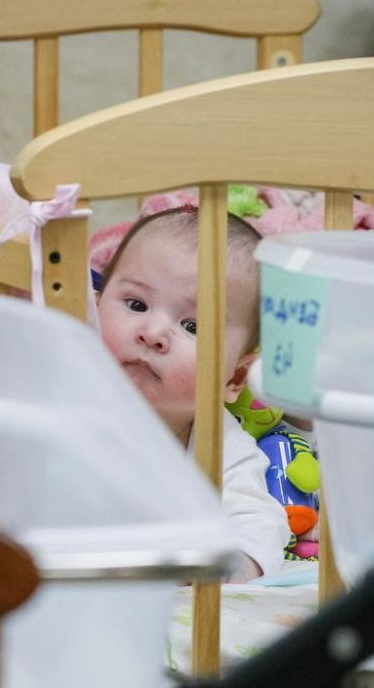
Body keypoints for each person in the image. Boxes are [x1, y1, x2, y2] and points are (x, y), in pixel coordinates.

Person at [96, 206, 288, 581]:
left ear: (234, 377)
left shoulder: (219, 444)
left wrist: (222, 565)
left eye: (192, 327)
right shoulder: (65, 398)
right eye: (136, 305)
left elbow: (259, 524)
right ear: (93, 303)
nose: (153, 333)